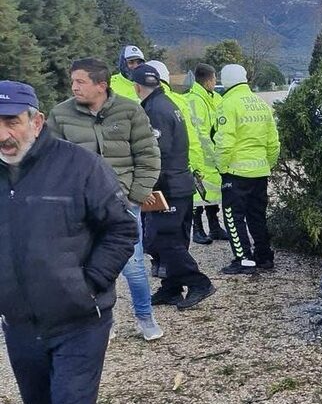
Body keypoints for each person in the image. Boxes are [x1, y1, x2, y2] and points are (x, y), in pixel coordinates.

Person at [0, 80, 137, 404]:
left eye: (11, 122)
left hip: (80, 318)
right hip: (20, 322)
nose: (3, 135)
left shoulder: (79, 166)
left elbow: (121, 228)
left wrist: (90, 283)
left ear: (36, 121)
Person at [48, 57, 165, 341]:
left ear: (101, 85)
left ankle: (145, 317)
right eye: (72, 81)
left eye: (80, 81)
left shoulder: (130, 111)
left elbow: (148, 156)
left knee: (134, 266)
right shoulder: (60, 115)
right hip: (80, 208)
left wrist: (135, 197)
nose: (73, 86)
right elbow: (49, 161)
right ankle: (100, 320)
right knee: (88, 265)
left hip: (123, 203)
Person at [131, 63, 216, 310]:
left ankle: (199, 282)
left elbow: (157, 152)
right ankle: (171, 288)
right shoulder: (167, 104)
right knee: (175, 239)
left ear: (137, 87)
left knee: (161, 240)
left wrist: (145, 186)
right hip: (180, 183)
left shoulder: (154, 110)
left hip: (167, 186)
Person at [216, 64, 280, 274]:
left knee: (233, 216)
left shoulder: (228, 104)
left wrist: (222, 167)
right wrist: (267, 163)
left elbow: (225, 141)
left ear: (225, 81)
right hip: (260, 171)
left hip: (236, 171)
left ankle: (243, 259)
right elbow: (274, 142)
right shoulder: (261, 104)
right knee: (257, 215)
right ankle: (264, 257)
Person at [171, 64, 228, 244]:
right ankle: (197, 229)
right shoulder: (194, 100)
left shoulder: (214, 97)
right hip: (201, 155)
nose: (215, 82)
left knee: (213, 193)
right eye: (214, 79)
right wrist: (212, 152)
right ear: (209, 79)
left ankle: (214, 227)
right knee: (198, 194)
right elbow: (199, 131)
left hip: (213, 155)